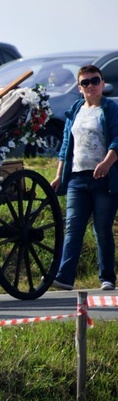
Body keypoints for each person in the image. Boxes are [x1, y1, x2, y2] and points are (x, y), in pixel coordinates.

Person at [50, 65, 118, 292]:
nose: (91, 86)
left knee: (102, 228)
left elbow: (117, 140)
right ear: (80, 88)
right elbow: (66, 146)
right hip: (77, 178)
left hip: (104, 179)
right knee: (73, 228)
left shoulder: (110, 108)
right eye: (85, 83)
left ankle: (107, 277)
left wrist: (107, 164)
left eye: (95, 81)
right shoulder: (76, 109)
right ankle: (64, 277)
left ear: (102, 83)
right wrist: (59, 175)